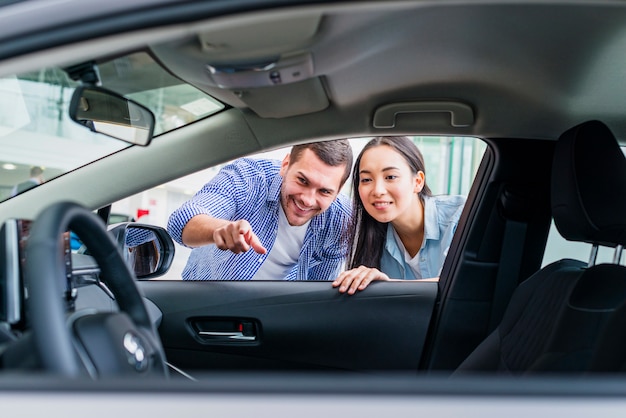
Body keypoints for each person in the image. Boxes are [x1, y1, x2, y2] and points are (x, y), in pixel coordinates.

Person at [167, 139, 353, 281]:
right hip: (207, 303)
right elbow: (181, 222)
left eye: (324, 191)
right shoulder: (247, 177)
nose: (307, 199)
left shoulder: (341, 219)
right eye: (302, 181)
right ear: (286, 165)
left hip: (272, 317)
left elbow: (317, 294)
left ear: (338, 191)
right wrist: (219, 229)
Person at [332, 136, 466, 294]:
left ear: (417, 182)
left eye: (390, 177)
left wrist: (388, 286)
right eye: (366, 179)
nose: (377, 190)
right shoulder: (368, 238)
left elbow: (465, 284)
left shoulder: (461, 216)